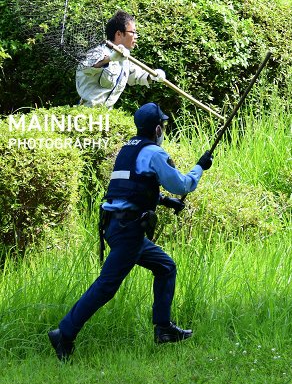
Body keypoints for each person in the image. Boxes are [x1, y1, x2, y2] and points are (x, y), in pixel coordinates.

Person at [48, 102, 214, 361]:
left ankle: (163, 329)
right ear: (158, 128)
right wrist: (200, 167)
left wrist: (163, 201)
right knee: (106, 286)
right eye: (164, 127)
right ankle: (64, 333)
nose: (164, 131)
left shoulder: (128, 149)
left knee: (165, 267)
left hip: (115, 225)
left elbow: (131, 187)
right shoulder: (154, 153)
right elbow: (180, 184)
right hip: (129, 230)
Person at [76, 10, 166, 108]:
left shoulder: (125, 58)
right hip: (87, 111)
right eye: (133, 32)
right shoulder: (98, 52)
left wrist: (152, 76)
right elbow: (86, 67)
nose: (136, 36)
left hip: (107, 114)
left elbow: (136, 75)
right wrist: (110, 58)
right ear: (119, 34)